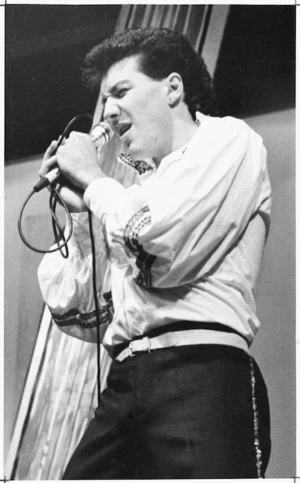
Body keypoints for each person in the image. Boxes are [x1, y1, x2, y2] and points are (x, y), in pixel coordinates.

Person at [37, 27, 272, 479]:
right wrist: (82, 218)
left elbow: (161, 248)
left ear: (172, 88)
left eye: (120, 92)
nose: (106, 112)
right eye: (103, 100)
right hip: (124, 382)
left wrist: (93, 180)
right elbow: (82, 317)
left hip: (200, 369)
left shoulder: (229, 140)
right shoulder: (131, 194)